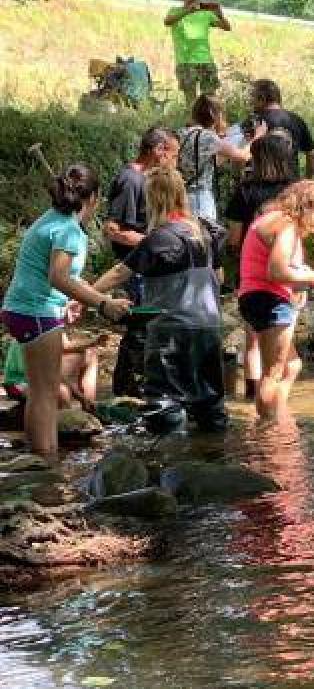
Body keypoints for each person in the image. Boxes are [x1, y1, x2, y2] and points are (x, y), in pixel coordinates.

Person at [2, 165, 130, 455]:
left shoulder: (51, 219)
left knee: (40, 392)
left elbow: (55, 276)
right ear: (94, 198)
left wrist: (78, 298)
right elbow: (58, 277)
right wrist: (103, 302)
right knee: (45, 394)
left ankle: (41, 460)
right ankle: (46, 462)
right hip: (36, 311)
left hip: (22, 308)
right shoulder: (70, 230)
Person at [94, 167, 229, 433]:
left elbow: (120, 273)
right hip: (208, 326)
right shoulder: (207, 232)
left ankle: (164, 463)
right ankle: (215, 455)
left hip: (170, 328)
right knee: (209, 400)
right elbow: (220, 279)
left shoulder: (159, 238)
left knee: (164, 401)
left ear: (153, 199)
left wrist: (86, 295)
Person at [237, 181, 314, 421]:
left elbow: (274, 264)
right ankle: (269, 430)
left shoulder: (271, 218)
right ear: (310, 208)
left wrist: (302, 271)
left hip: (254, 297)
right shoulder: (286, 226)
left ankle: (277, 414)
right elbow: (277, 272)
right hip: (270, 299)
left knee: (291, 366)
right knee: (273, 373)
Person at [105, 126, 180, 397]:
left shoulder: (143, 179)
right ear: (158, 151)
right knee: (138, 328)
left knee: (144, 328)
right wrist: (153, 243)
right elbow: (114, 229)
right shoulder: (132, 180)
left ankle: (138, 388)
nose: (175, 162)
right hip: (133, 267)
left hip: (144, 265)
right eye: (173, 155)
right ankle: (128, 391)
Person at [225, 134, 299, 399]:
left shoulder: (245, 190)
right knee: (282, 345)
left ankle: (251, 395)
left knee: (253, 338)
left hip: (250, 270)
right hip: (288, 270)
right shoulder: (294, 191)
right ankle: (272, 403)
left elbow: (234, 238)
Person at [3, 311, 108, 412]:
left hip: (39, 377)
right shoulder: (39, 332)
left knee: (89, 355)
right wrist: (80, 397)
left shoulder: (51, 329)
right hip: (19, 383)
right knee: (62, 393)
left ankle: (90, 409)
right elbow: (51, 372)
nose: (77, 314)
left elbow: (63, 353)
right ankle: (66, 419)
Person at [178, 94, 261, 221]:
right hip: (199, 198)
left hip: (181, 195)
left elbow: (206, 164)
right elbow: (244, 156)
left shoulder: (183, 132)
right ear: (215, 115)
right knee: (204, 235)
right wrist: (258, 136)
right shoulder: (208, 137)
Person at [164, 0, 231, 108]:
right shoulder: (175, 11)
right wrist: (187, 11)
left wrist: (219, 13)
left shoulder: (205, 14)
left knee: (211, 99)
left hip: (206, 61)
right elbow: (167, 21)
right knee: (191, 100)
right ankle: (194, 125)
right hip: (185, 61)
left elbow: (227, 27)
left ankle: (211, 124)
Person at [249, 79, 314, 178]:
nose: (251, 102)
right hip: (291, 186)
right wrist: (308, 180)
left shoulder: (254, 122)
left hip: (262, 187)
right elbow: (312, 154)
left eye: (253, 97)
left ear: (262, 98)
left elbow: (242, 155)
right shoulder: (296, 120)